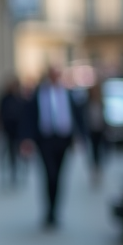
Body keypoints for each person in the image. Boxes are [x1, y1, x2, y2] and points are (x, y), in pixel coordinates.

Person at [23, 65, 84, 229]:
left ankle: (55, 212)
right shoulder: (38, 94)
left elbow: (78, 116)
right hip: (45, 140)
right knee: (49, 175)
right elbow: (28, 117)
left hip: (63, 140)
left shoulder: (68, 93)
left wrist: (80, 137)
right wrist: (26, 139)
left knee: (59, 177)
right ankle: (48, 211)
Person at [0, 74, 27, 187]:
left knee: (18, 154)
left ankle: (17, 173)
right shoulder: (4, 98)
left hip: (18, 131)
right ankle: (10, 174)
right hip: (6, 131)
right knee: (7, 153)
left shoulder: (21, 98)